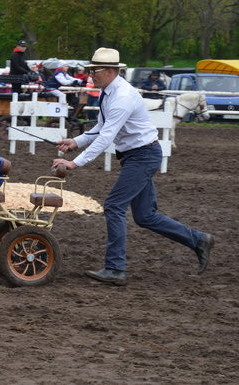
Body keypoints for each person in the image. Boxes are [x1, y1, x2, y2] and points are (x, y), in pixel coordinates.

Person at [53, 47, 214, 286]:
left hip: (143, 156)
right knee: (145, 216)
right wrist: (75, 141)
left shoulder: (121, 98)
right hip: (138, 156)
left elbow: (106, 137)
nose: (90, 75)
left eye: (94, 71)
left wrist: (75, 163)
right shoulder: (108, 92)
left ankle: (115, 268)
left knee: (114, 206)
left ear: (109, 71)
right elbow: (100, 128)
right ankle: (199, 240)